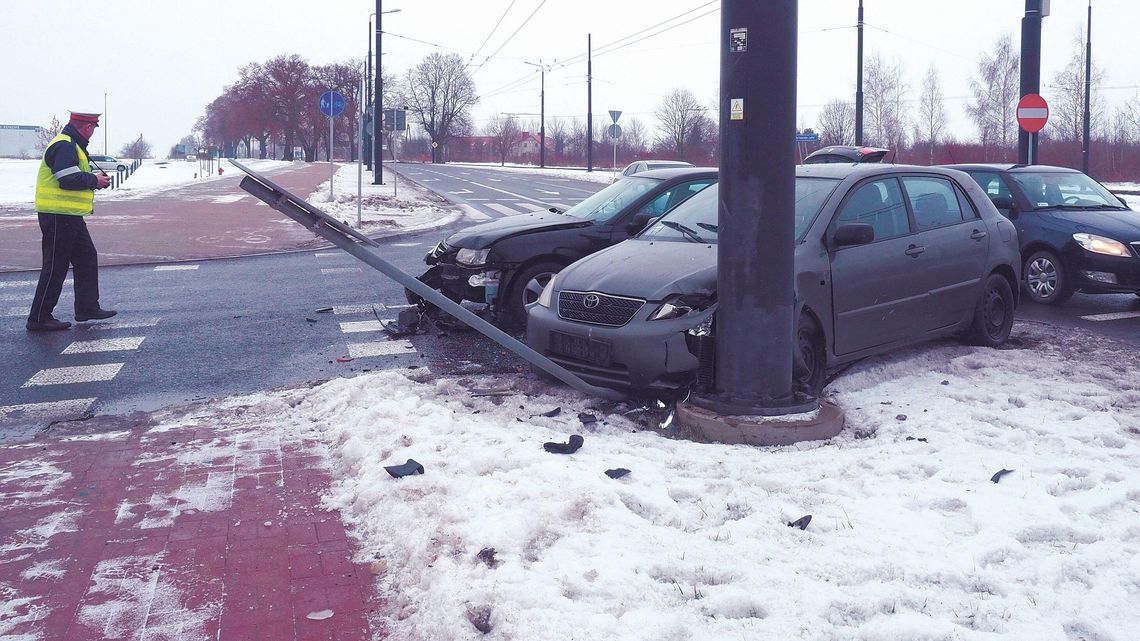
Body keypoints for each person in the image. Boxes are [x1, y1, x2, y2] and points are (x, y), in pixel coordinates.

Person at [26, 111, 117, 331]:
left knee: (86, 257)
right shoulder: (65, 145)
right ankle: (39, 317)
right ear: (86, 127)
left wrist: (93, 181)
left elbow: (72, 175)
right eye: (93, 128)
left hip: (70, 216)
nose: (93, 132)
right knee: (55, 266)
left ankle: (86, 307)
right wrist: (94, 180)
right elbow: (66, 178)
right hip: (58, 215)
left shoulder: (72, 145)